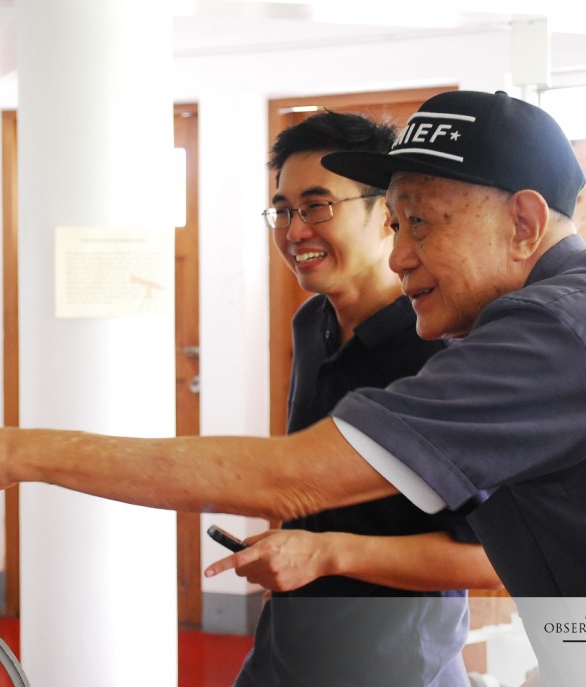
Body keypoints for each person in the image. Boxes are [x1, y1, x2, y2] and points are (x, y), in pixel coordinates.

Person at [0, 90, 586, 603]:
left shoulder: (556, 328)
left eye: (421, 224)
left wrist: (13, 449)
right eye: (397, 220)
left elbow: (290, 477)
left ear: (522, 223)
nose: (403, 251)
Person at [209, 110, 497, 687]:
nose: (294, 232)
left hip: (392, 663)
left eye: (317, 207)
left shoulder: (446, 351)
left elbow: (489, 560)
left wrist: (328, 552)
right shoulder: (311, 321)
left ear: (389, 216)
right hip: (289, 644)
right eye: (283, 211)